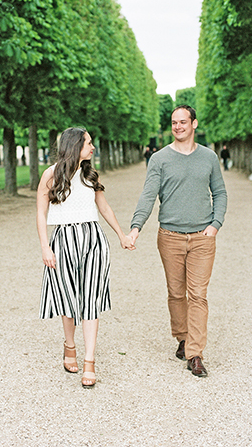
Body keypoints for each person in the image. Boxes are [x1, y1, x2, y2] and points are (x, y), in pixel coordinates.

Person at [128, 105, 227, 377]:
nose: (178, 126)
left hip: (202, 238)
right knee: (175, 293)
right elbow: (148, 196)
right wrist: (136, 227)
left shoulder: (209, 157)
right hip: (169, 237)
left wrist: (215, 225)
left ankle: (195, 353)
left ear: (194, 124)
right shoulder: (159, 159)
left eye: (183, 122)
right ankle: (182, 337)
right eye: (174, 122)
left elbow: (219, 193)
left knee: (198, 295)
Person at [37, 127, 134, 388]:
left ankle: (89, 361)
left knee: (90, 299)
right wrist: (45, 247)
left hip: (93, 240)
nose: (92, 147)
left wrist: (121, 235)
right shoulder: (51, 175)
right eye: (88, 143)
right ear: (75, 145)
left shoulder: (90, 173)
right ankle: (70, 345)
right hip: (63, 241)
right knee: (67, 299)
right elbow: (40, 213)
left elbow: (103, 206)